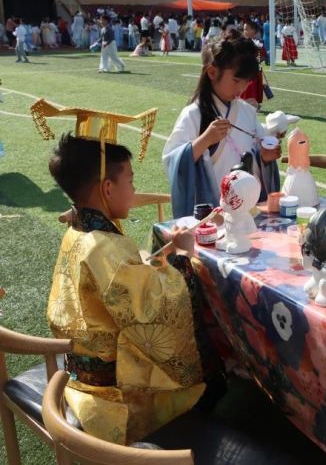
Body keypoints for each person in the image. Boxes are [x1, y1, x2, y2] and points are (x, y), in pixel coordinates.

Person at [30, 101, 224, 445]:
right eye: (130, 181)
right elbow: (158, 312)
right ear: (107, 189)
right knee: (212, 380)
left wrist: (163, 257)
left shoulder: (78, 229)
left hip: (82, 374)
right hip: (114, 399)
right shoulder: (107, 249)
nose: (134, 191)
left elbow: (128, 290)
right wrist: (182, 257)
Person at [162, 28, 282, 217]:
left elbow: (257, 151)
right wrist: (205, 140)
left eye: (246, 82)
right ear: (212, 71)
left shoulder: (247, 111)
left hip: (248, 209)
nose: (242, 88)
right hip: (213, 213)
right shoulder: (193, 114)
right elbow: (171, 161)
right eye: (236, 80)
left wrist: (266, 156)